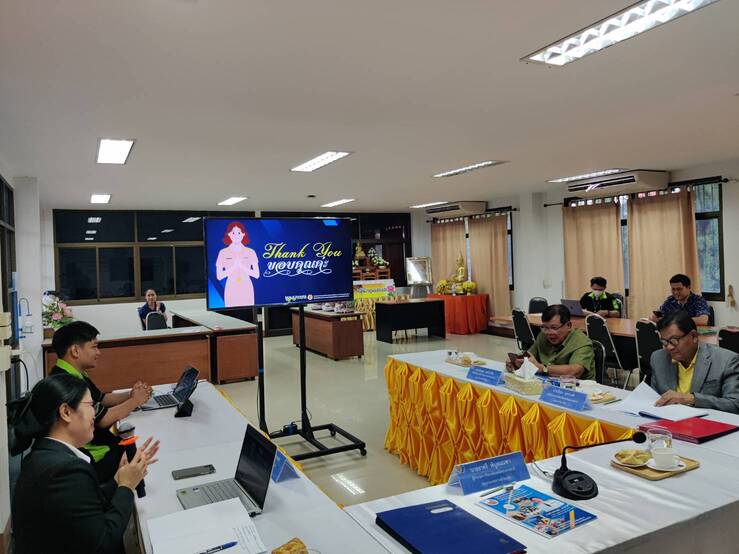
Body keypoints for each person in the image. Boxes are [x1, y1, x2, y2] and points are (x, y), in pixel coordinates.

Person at [11, 374, 159, 554]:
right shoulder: (65, 470)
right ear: (66, 412)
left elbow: (86, 504)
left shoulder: (43, 455)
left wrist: (119, 478)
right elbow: (104, 543)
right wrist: (127, 487)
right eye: (90, 406)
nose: (95, 413)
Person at [50, 321, 153, 484]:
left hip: (97, 443)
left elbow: (102, 399)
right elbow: (103, 420)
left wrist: (131, 394)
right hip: (92, 457)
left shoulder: (74, 373)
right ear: (75, 351)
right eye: (94, 347)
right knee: (140, 452)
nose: (98, 352)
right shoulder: (67, 383)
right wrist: (135, 401)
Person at [650, 310, 739, 413]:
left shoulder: (726, 361)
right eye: (664, 342)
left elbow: (735, 404)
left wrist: (692, 399)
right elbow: (654, 400)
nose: (669, 347)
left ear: (694, 336)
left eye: (673, 341)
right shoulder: (658, 358)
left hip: (706, 421)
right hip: (668, 419)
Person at [506, 304, 595, 380]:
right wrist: (517, 362)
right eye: (545, 327)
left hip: (579, 389)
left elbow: (575, 371)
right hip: (548, 383)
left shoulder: (581, 341)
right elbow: (530, 355)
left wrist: (543, 369)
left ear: (568, 325)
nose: (549, 333)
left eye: (554, 328)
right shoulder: (543, 335)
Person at [216, 221, 260, 307]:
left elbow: (256, 274)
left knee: (249, 311)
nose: (236, 235)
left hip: (246, 287)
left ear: (243, 234)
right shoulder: (223, 252)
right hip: (231, 287)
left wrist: (242, 266)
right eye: (233, 233)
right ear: (229, 234)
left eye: (239, 233)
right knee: (231, 312)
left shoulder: (251, 252)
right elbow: (219, 276)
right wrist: (234, 267)